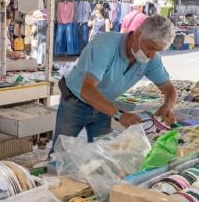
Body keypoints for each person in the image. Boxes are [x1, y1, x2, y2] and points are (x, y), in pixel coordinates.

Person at [52, 15, 177, 149]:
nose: (151, 55)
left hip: (104, 106)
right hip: (75, 102)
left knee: (102, 155)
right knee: (60, 153)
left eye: (158, 50)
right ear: (137, 35)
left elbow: (169, 88)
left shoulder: (152, 59)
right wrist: (120, 115)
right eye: (150, 47)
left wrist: (168, 105)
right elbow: (87, 90)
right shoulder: (106, 44)